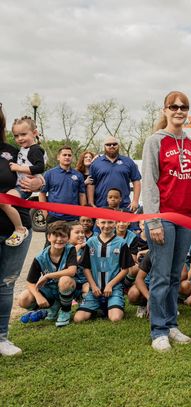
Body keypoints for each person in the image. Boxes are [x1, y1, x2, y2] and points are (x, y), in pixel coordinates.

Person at [142, 90, 191, 352]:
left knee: (173, 277)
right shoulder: (155, 142)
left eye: (184, 107)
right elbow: (149, 184)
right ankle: (158, 330)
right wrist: (154, 221)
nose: (179, 110)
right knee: (159, 275)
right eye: (174, 106)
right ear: (165, 110)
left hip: (186, 219)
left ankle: (171, 324)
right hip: (163, 218)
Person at [0, 104, 45, 356]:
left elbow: (39, 171)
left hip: (16, 228)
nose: (20, 139)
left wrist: (40, 180)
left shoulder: (13, 152)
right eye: (17, 135)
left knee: (6, 284)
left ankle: (2, 338)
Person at [73, 218, 134, 323]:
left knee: (115, 318)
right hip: (95, 289)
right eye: (103, 222)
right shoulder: (91, 242)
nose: (106, 225)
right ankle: (100, 307)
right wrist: (93, 286)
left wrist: (110, 285)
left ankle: (111, 305)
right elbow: (86, 268)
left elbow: (125, 270)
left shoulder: (121, 243)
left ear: (115, 223)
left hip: (113, 288)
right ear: (97, 223)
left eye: (110, 222)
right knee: (78, 319)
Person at [18, 222, 77, 327]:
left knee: (65, 280)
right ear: (49, 237)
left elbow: (72, 271)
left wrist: (47, 275)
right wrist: (38, 296)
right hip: (50, 290)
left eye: (63, 236)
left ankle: (65, 311)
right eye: (56, 235)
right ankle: (50, 309)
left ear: (68, 238)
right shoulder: (40, 257)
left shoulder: (70, 249)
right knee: (23, 299)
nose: (59, 239)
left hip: (68, 288)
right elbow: (30, 282)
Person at [0, 116, 45, 246]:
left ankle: (19, 228)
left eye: (23, 134)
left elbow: (40, 168)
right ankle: (19, 228)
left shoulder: (31, 150)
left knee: (3, 201)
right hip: (18, 187)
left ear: (34, 133)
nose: (20, 138)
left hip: (21, 189)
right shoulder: (24, 150)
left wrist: (40, 183)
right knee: (3, 201)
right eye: (16, 136)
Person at [87, 136, 141, 211]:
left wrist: (135, 201)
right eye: (108, 144)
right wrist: (90, 202)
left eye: (114, 144)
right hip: (101, 205)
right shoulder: (96, 163)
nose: (111, 146)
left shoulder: (128, 162)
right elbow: (91, 183)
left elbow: (136, 181)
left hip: (124, 206)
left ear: (118, 145)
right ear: (104, 146)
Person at [39, 146, 86, 225]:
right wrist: (45, 214)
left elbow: (82, 195)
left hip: (73, 218)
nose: (67, 157)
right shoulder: (49, 174)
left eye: (69, 155)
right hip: (54, 217)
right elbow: (42, 194)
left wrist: (83, 213)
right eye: (64, 155)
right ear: (58, 157)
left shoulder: (78, 175)